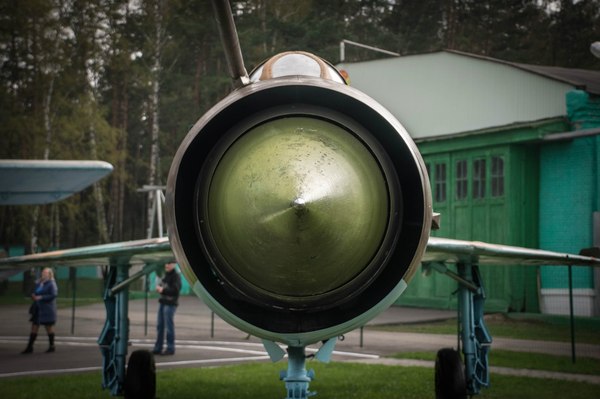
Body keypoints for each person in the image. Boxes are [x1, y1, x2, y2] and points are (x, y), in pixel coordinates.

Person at [21, 267, 58, 354]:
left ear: (50, 274)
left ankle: (52, 346)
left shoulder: (51, 283)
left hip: (47, 309)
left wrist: (41, 297)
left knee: (48, 327)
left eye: (46, 273)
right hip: (38, 308)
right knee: (34, 327)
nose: (43, 274)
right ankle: (30, 347)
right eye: (43, 272)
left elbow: (53, 295)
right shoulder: (39, 283)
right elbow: (34, 292)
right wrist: (33, 295)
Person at [152, 262, 181, 355]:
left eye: (169, 263)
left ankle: (170, 348)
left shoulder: (176, 276)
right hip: (163, 302)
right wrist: (160, 288)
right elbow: (163, 286)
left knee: (169, 327)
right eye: (166, 263)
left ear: (174, 264)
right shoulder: (166, 276)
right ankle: (158, 347)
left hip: (170, 304)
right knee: (160, 326)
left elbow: (175, 290)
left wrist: (163, 290)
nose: (166, 265)